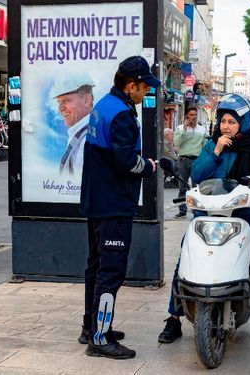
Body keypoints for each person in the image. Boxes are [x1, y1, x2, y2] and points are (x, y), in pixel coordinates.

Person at [157, 93, 250, 347]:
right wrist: (215, 151)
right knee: (183, 262)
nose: (226, 126)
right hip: (207, 215)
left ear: (243, 124)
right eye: (223, 121)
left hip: (242, 215)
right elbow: (198, 175)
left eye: (232, 122)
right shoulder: (210, 145)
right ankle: (173, 318)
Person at [78, 55, 160, 360]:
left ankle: (91, 326)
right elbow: (127, 162)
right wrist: (150, 167)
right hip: (114, 204)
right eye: (143, 87)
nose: (145, 92)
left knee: (96, 267)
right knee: (110, 271)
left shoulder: (104, 105)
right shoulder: (123, 114)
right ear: (130, 85)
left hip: (97, 202)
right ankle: (100, 338)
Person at [51, 75, 94, 175]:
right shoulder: (82, 133)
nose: (60, 108)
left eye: (66, 101)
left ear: (86, 100)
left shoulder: (86, 141)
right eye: (59, 102)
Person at [173, 107, 207, 218]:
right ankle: (182, 211)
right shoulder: (180, 128)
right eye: (191, 115)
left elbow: (205, 146)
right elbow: (176, 142)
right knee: (182, 186)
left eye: (195, 114)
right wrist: (184, 128)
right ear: (187, 116)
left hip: (197, 160)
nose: (194, 117)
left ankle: (197, 210)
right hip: (183, 160)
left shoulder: (202, 129)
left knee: (196, 186)